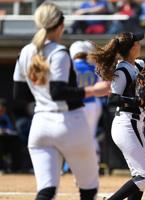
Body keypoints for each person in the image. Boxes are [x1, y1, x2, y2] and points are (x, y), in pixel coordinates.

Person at [12, 2, 110, 200]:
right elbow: (58, 92)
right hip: (69, 122)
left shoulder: (25, 51)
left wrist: (42, 96)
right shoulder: (59, 52)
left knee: (46, 190)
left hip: (40, 125)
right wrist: (93, 90)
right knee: (88, 190)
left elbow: (19, 94)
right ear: (59, 25)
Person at [88, 18, 145, 200]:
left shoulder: (134, 65)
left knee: (140, 175)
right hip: (127, 123)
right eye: (137, 42)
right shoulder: (122, 70)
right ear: (132, 47)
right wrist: (135, 100)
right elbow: (112, 99)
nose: (140, 44)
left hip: (133, 123)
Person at [69, 40, 103, 163]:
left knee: (75, 136)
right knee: (91, 136)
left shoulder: (70, 67)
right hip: (93, 104)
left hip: (76, 105)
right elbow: (101, 86)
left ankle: (75, 166)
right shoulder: (93, 67)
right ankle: (95, 164)